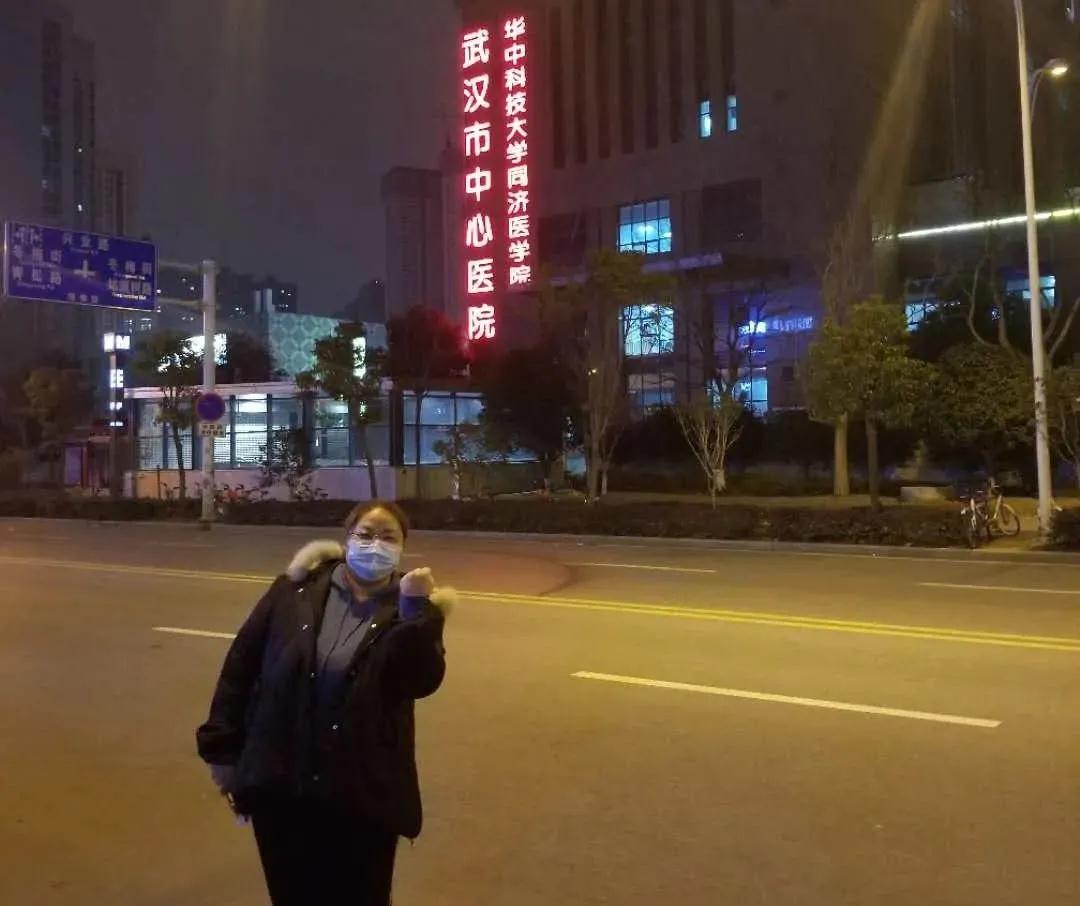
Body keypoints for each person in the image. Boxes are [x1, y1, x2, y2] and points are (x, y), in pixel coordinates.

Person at [196, 501, 452, 906]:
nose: (375, 545)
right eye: (365, 534)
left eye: (388, 537)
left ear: (404, 547)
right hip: (284, 783)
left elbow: (422, 681)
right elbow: (242, 663)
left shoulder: (410, 608)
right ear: (346, 538)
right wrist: (222, 750)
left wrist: (415, 613)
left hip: (362, 794)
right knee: (292, 893)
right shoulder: (294, 590)